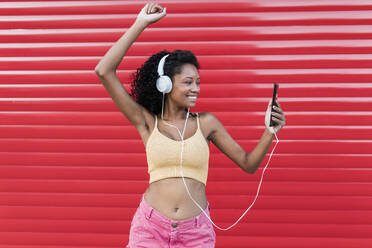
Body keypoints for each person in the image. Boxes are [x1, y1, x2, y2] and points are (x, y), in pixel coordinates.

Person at [94, 2, 286, 247]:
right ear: (165, 84)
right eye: (188, 82)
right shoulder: (147, 122)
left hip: (195, 233)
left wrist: (270, 132)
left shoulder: (206, 123)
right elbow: (104, 71)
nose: (195, 88)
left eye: (197, 81)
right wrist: (141, 23)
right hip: (150, 228)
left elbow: (248, 164)